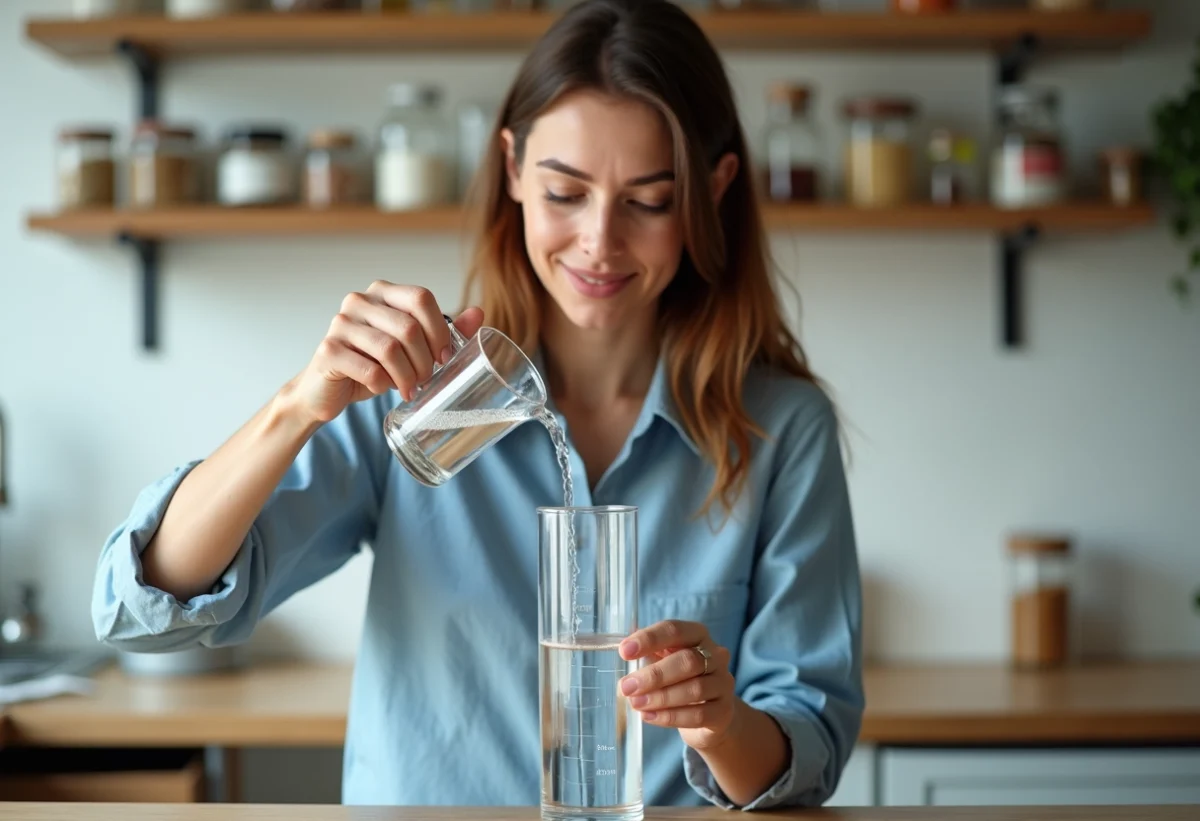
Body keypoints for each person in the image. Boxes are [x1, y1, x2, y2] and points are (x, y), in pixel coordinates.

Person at [91, 0, 863, 810]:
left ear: (714, 189)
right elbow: (146, 610)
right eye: (566, 191)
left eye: (648, 201)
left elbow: (808, 741)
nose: (600, 240)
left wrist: (721, 722)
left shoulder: (780, 428)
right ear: (513, 170)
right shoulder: (421, 393)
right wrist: (296, 407)